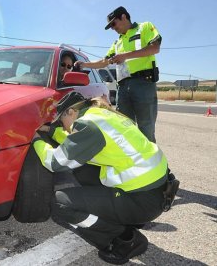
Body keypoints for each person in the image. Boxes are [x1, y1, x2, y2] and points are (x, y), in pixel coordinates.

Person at [33, 91, 174, 265]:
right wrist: (52, 131)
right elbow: (74, 140)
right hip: (158, 190)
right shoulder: (100, 116)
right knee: (81, 168)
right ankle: (125, 218)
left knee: (60, 203)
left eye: (62, 122)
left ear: (71, 112)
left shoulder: (88, 125)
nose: (64, 128)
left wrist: (37, 141)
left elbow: (54, 162)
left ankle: (126, 238)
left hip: (143, 201)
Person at [75, 6, 161, 142]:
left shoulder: (144, 27)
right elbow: (104, 62)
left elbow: (155, 48)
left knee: (146, 128)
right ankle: (130, 161)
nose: (113, 28)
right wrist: (85, 64)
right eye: (111, 26)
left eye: (114, 23)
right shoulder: (117, 43)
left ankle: (153, 162)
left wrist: (125, 56)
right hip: (123, 89)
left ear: (124, 17)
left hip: (143, 84)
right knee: (125, 128)